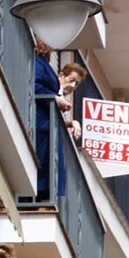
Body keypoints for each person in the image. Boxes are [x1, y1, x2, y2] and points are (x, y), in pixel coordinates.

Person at [34, 36, 69, 199]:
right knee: (41, 165)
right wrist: (55, 98)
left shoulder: (42, 62)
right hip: (41, 121)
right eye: (41, 39)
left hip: (46, 121)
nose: (45, 44)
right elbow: (34, 85)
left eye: (48, 41)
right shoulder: (36, 62)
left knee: (46, 166)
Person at [58, 62, 87, 140]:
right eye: (71, 80)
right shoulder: (51, 92)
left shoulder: (63, 99)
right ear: (61, 76)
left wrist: (72, 123)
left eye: (76, 83)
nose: (73, 85)